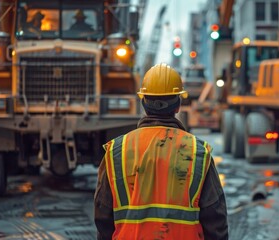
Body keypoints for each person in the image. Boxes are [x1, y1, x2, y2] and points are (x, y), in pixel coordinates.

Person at [94, 63, 228, 240]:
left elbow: (102, 216)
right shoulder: (198, 152)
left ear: (143, 103)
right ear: (178, 105)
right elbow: (215, 219)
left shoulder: (117, 151)